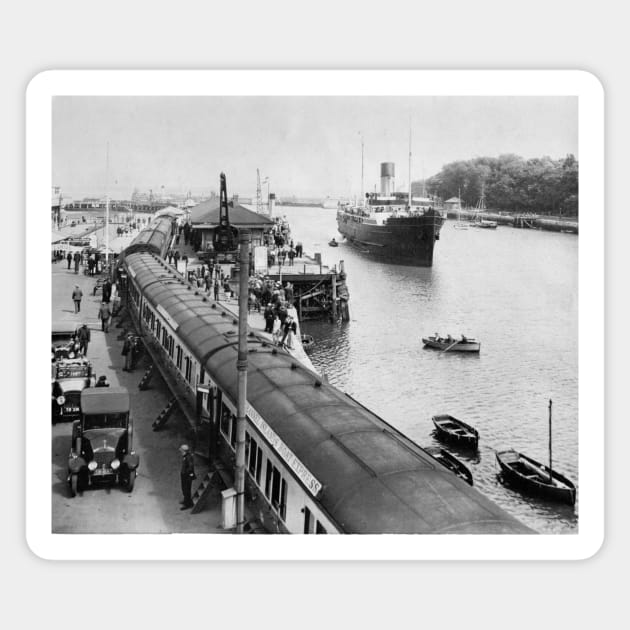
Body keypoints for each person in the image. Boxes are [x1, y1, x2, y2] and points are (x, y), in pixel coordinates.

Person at [179, 444, 195, 510]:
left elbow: (190, 467)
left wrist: (185, 473)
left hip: (187, 476)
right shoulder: (185, 456)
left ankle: (187, 504)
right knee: (184, 489)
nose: (180, 451)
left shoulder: (188, 457)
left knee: (186, 490)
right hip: (184, 475)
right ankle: (186, 501)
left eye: (181, 450)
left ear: (184, 451)